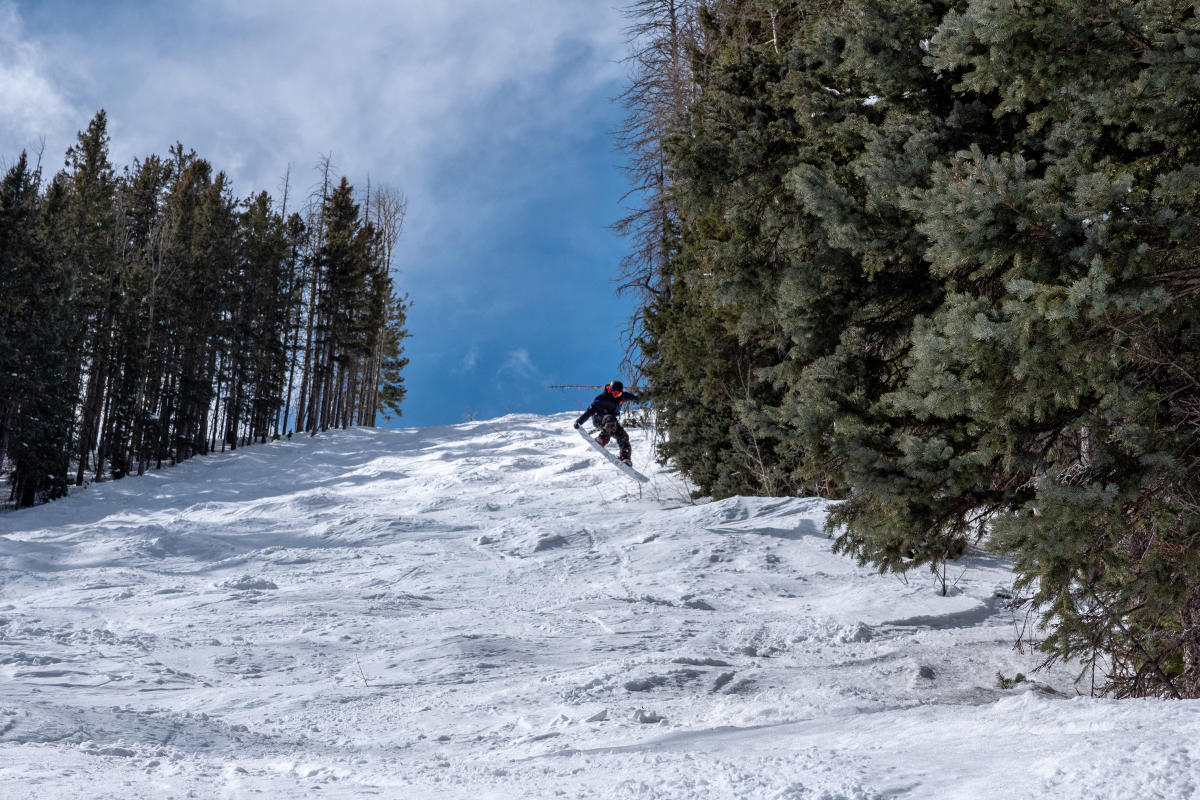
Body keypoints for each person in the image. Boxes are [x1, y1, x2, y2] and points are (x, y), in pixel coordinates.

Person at [574, 380, 641, 465]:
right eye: (615, 393)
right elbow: (589, 411)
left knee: (623, 436)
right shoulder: (602, 398)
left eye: (619, 393)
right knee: (610, 418)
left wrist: (636, 399)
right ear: (610, 390)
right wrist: (579, 422)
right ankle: (602, 439)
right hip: (599, 419)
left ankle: (625, 458)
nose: (616, 395)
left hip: (611, 424)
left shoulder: (622, 396)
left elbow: (629, 396)